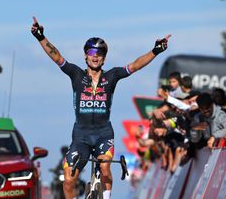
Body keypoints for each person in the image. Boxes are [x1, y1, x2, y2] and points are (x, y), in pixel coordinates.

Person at [31, 16, 171, 199]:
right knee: (68, 179)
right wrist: (41, 37)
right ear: (85, 55)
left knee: (105, 167)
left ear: (104, 58)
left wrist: (155, 51)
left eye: (99, 53)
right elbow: (56, 56)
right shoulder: (75, 74)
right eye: (91, 52)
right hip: (80, 136)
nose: (95, 56)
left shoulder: (112, 76)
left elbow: (135, 65)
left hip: (103, 133)